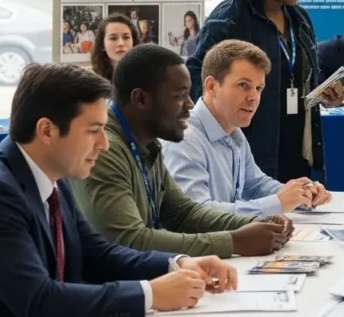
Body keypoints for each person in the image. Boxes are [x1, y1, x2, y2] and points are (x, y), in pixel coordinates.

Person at [0, 62, 239, 316]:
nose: (103, 145)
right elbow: (38, 301)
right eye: (93, 131)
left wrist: (177, 263)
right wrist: (150, 294)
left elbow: (96, 254)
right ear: (47, 130)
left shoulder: (52, 177)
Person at [70, 44, 293, 259]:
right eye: (178, 96)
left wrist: (256, 223)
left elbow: (183, 213)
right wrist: (234, 241)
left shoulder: (147, 143)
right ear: (141, 99)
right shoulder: (105, 150)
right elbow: (130, 240)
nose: (189, 105)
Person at [186, 0, 339, 183]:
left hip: (298, 149)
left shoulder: (300, 20)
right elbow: (197, 85)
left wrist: (323, 95)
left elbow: (300, 80)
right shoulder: (230, 19)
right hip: (249, 150)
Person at [165, 40, 332, 216]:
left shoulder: (233, 132)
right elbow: (196, 214)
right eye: (243, 85)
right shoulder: (184, 139)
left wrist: (300, 194)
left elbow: (254, 185)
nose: (254, 97)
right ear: (211, 86)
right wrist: (278, 203)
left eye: (258, 88)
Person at [90, 13, 140, 82]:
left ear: (133, 41)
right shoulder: (91, 80)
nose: (121, 43)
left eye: (126, 37)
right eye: (113, 38)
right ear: (102, 45)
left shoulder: (147, 77)